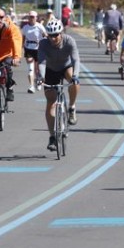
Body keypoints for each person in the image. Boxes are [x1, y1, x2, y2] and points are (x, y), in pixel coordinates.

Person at [37, 19, 81, 152]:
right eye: (50, 35)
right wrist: (41, 77)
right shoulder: (43, 44)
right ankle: (52, 137)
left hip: (66, 67)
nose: (53, 38)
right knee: (51, 101)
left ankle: (72, 107)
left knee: (73, 81)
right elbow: (42, 62)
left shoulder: (69, 41)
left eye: (56, 35)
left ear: (61, 33)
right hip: (50, 70)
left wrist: (76, 76)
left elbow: (76, 59)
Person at [20, 10, 46, 93]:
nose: (31, 18)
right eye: (30, 17)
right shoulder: (25, 27)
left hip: (38, 49)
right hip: (28, 48)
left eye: (33, 17)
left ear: (36, 18)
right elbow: (23, 37)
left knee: (38, 68)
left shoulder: (39, 26)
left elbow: (45, 35)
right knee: (30, 68)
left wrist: (44, 40)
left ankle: (38, 80)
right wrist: (21, 47)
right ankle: (31, 86)